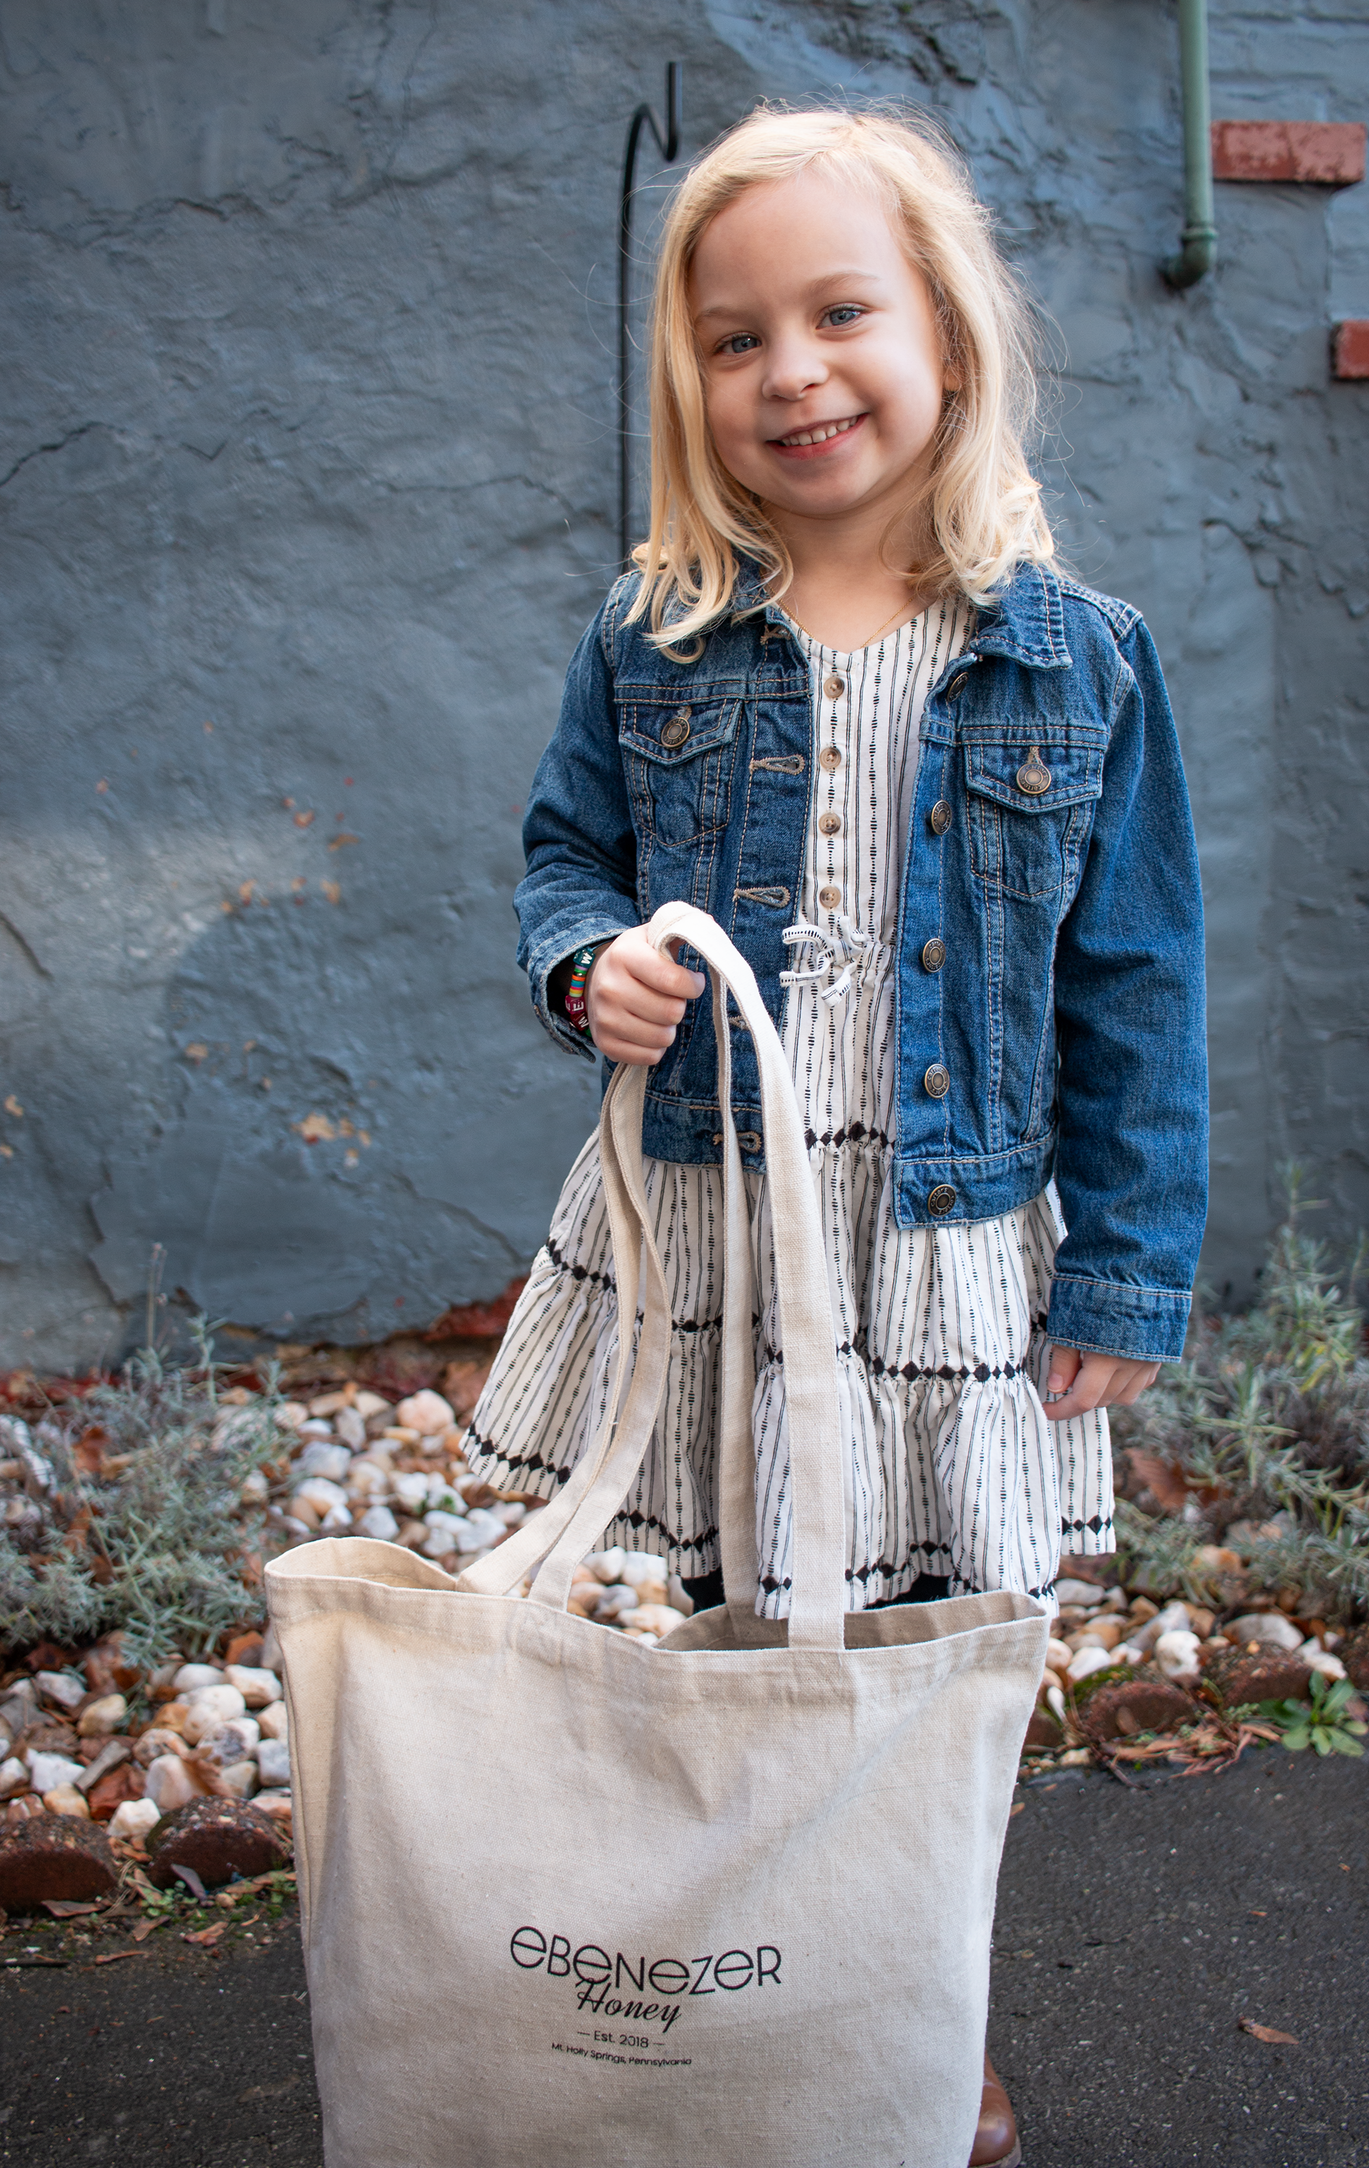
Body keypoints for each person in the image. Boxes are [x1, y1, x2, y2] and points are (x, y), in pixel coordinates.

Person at [465, 107, 1208, 2168]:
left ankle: (915, 2015)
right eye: (731, 335)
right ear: (685, 381)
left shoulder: (1077, 655)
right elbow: (562, 861)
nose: (787, 367)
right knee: (733, 1628)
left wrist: (1126, 1266)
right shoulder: (654, 631)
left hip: (947, 1231)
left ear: (944, 344)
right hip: (725, 1212)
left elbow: (1136, 978)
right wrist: (585, 963)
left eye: (837, 312)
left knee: (934, 1653)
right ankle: (764, 2015)